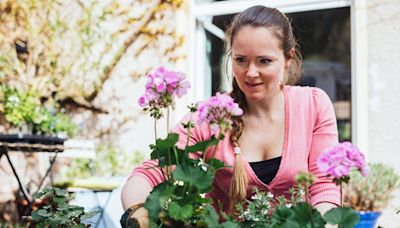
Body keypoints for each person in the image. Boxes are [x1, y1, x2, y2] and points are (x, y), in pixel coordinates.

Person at [121, 5, 340, 226]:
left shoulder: (313, 105)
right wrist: (138, 212)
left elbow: (325, 188)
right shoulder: (212, 115)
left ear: (288, 59)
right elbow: (149, 173)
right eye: (241, 60)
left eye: (264, 61)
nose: (251, 73)